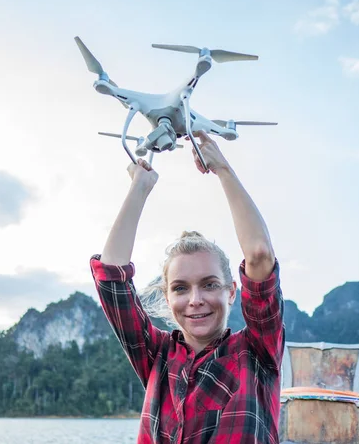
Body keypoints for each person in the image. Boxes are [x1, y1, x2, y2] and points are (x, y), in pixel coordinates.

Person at [89, 131, 285, 443]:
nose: (195, 300)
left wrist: (222, 168)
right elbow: (111, 279)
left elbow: (260, 254)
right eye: (180, 288)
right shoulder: (157, 356)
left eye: (209, 285)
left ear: (231, 291)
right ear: (167, 297)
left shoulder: (257, 352)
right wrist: (139, 187)